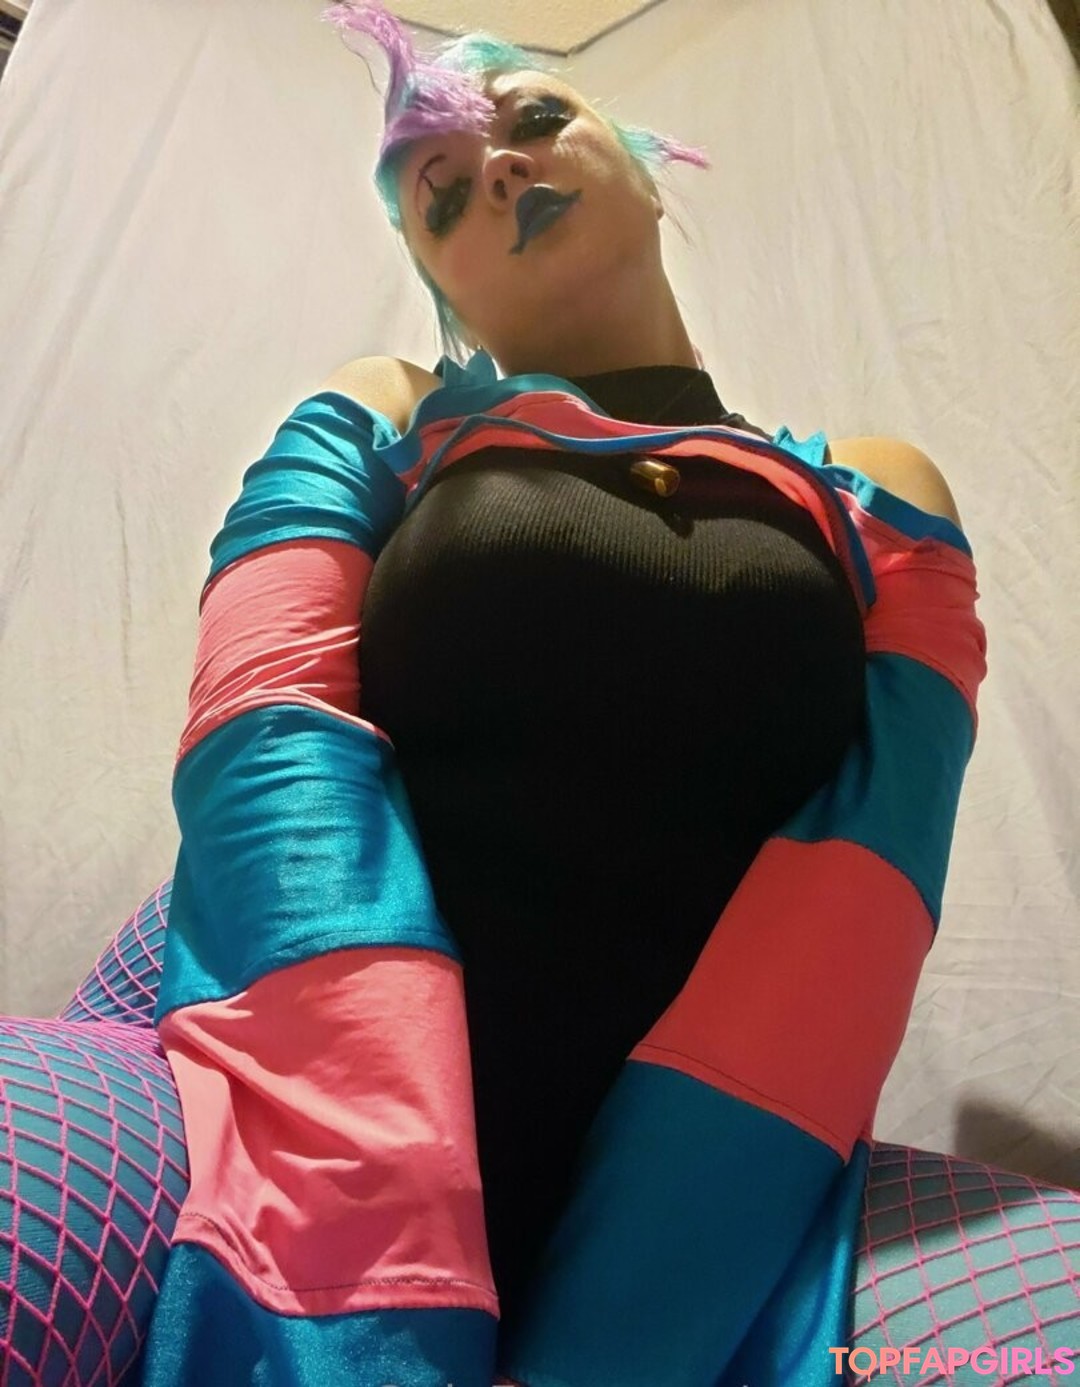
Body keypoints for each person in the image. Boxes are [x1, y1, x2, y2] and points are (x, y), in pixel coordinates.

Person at [3, 4, 988, 1385]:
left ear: (649, 168)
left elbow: (874, 886)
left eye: (536, 121)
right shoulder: (397, 413)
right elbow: (262, 721)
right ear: (440, 289)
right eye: (445, 195)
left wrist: (639, 1295)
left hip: (738, 1128)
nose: (504, 170)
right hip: (284, 1015)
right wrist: (371, 1201)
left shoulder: (872, 491)